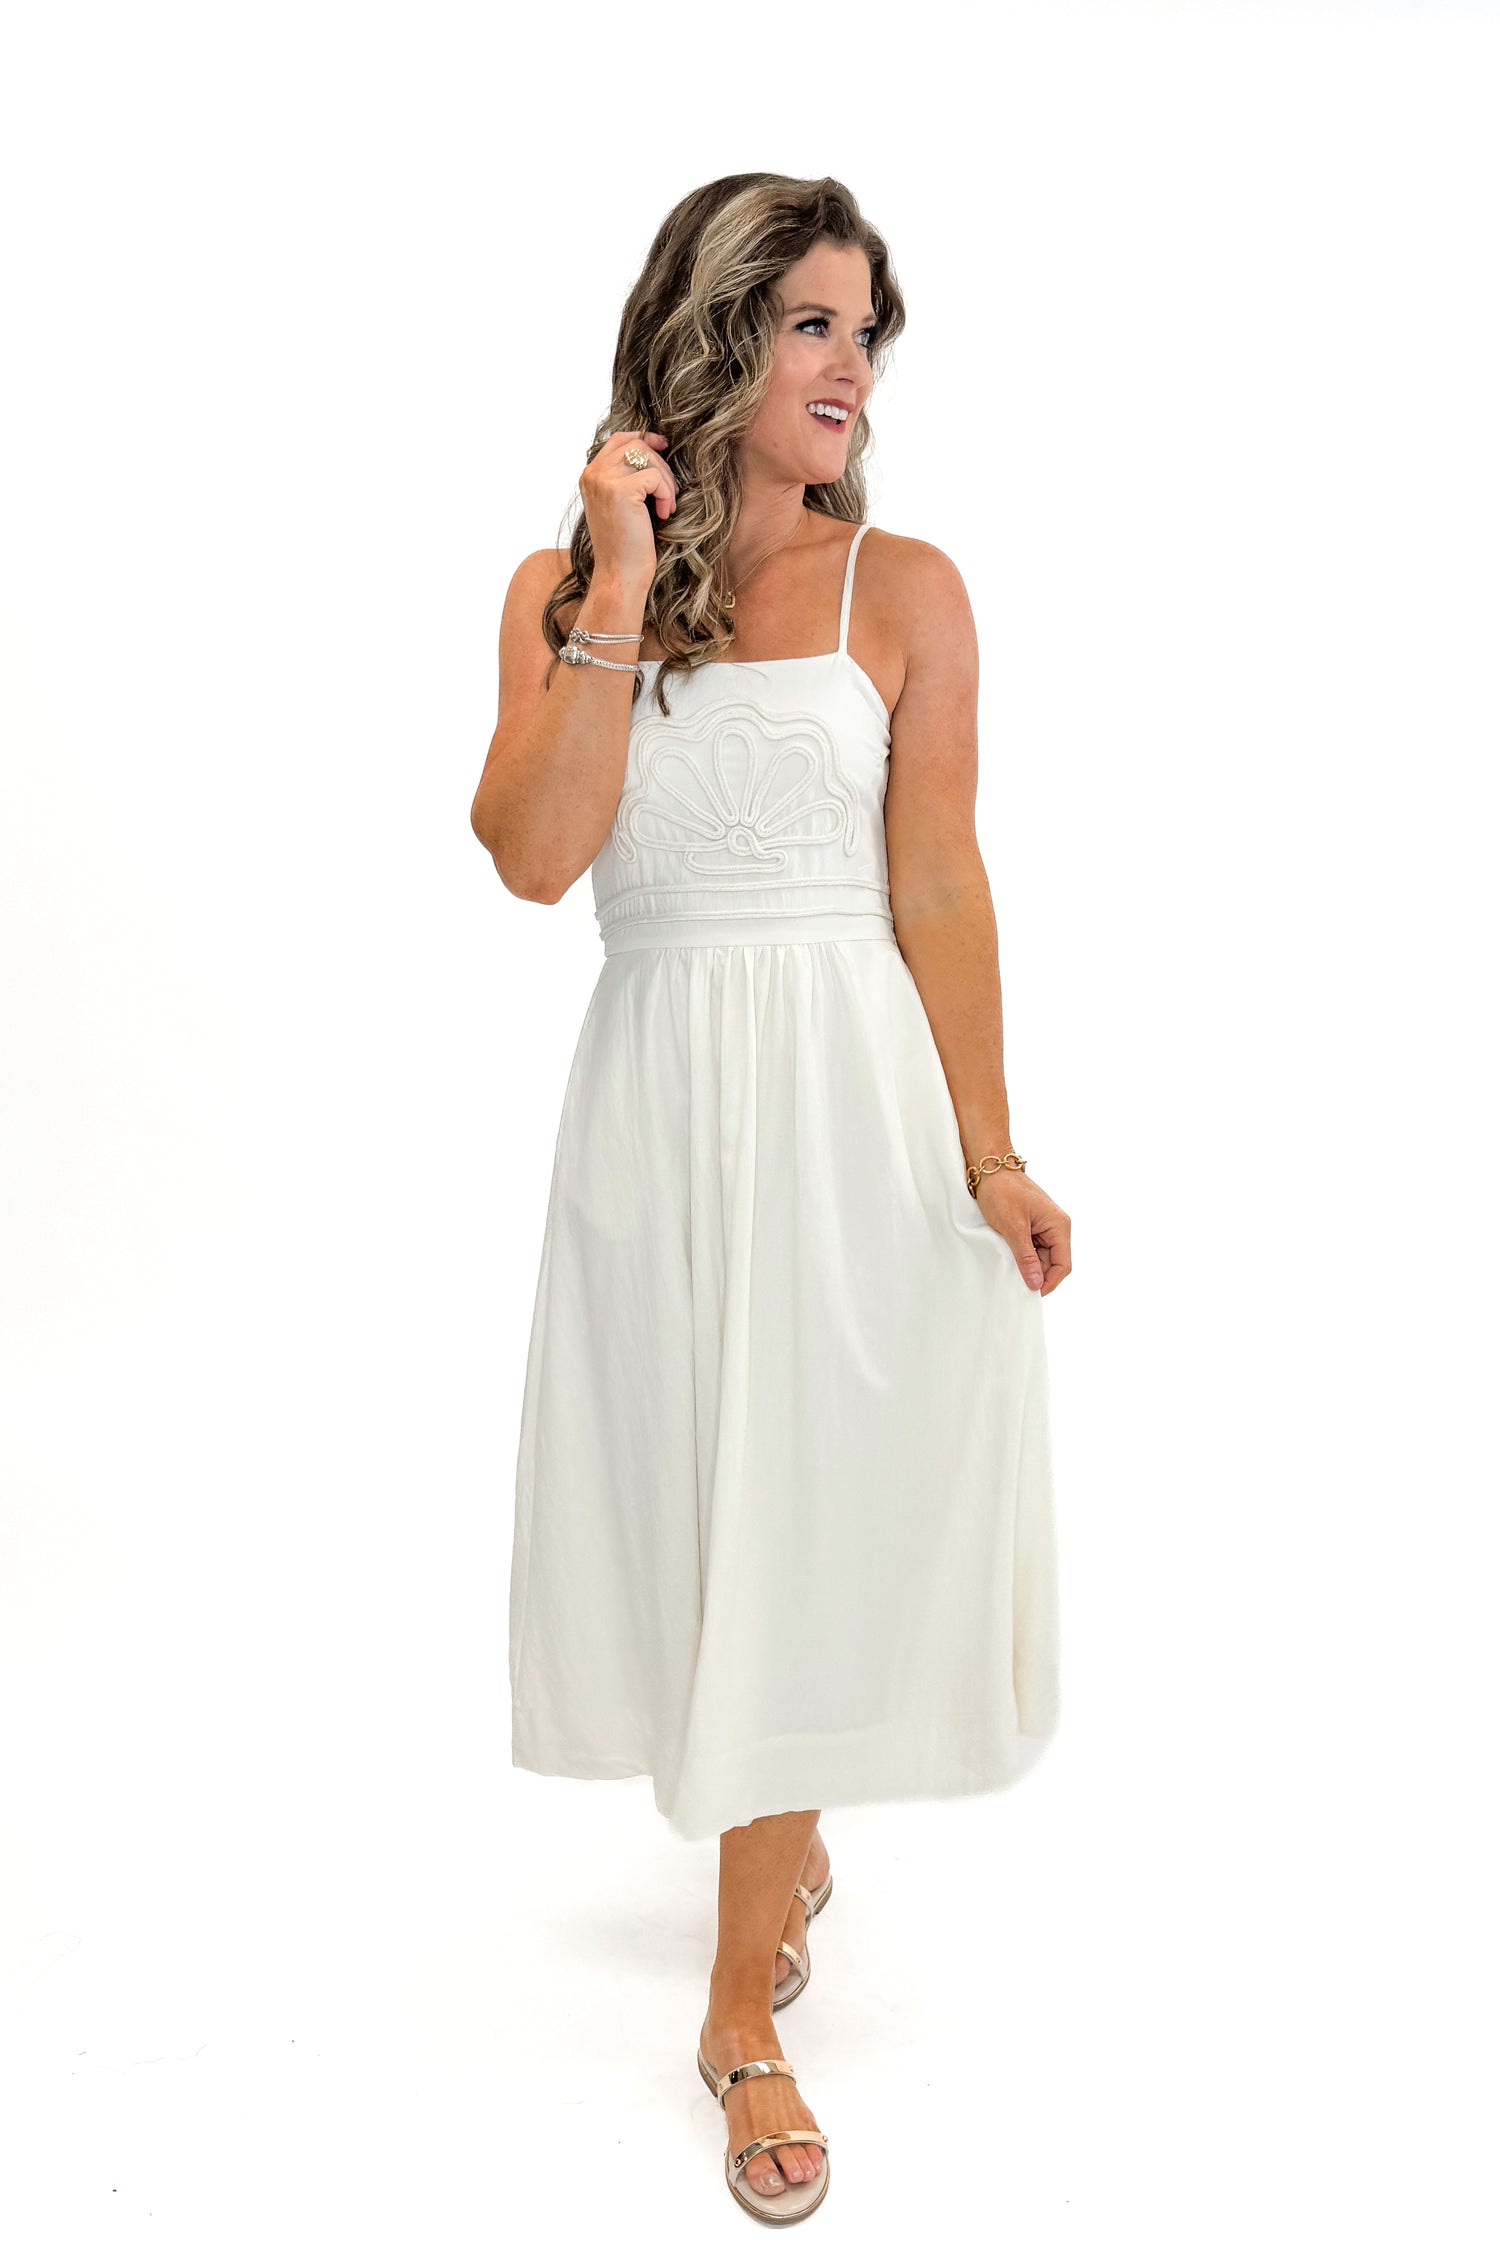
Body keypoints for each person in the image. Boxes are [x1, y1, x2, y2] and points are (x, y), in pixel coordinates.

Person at [470, 172, 1073, 2224]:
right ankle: (777, 1848)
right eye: (810, 322)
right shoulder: (562, 591)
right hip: (658, 1112)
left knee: (802, 1515)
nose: (851, 361)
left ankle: (740, 2011)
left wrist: (988, 1152)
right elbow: (536, 860)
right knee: (702, 1510)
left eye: (862, 326)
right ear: (718, 336)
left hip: (849, 1112)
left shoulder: (907, 590)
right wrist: (621, 578)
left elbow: (936, 882)